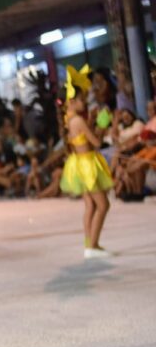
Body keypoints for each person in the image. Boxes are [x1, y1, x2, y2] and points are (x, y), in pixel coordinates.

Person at [60, 66, 114, 259]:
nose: (86, 102)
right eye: (83, 99)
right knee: (103, 205)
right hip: (87, 165)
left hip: (80, 163)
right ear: (73, 101)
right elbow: (97, 143)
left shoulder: (70, 119)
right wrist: (102, 125)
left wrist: (91, 121)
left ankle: (89, 242)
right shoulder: (78, 121)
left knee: (91, 205)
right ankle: (93, 245)